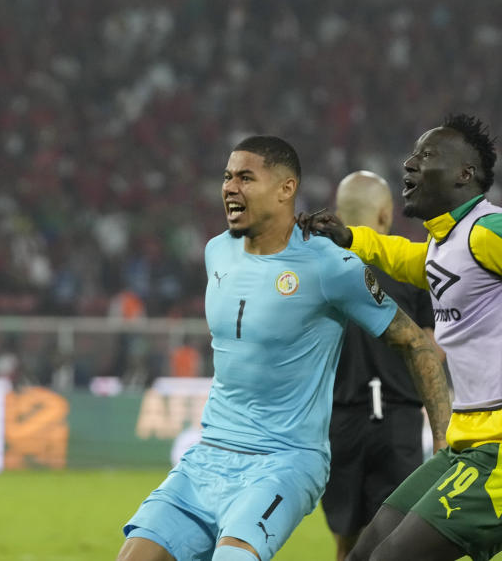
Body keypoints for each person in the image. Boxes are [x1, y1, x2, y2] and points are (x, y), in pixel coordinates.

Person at [116, 136, 450, 561]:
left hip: (284, 461)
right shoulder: (216, 252)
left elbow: (416, 345)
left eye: (245, 177)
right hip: (208, 456)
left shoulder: (330, 265)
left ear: (285, 189)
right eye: (227, 177)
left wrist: (444, 445)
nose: (230, 187)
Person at [300, 114, 502, 561]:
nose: (409, 164)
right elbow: (407, 258)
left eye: (426, 155)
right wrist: (351, 237)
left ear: (464, 174)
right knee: (363, 552)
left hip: (497, 453)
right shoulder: (445, 244)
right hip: (467, 444)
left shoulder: (488, 230)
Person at [320, 171, 437, 561]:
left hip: (339, 422)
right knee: (398, 542)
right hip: (398, 422)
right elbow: (431, 350)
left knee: (346, 540)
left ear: (339, 212)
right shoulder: (409, 269)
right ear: (385, 216)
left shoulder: (321, 268)